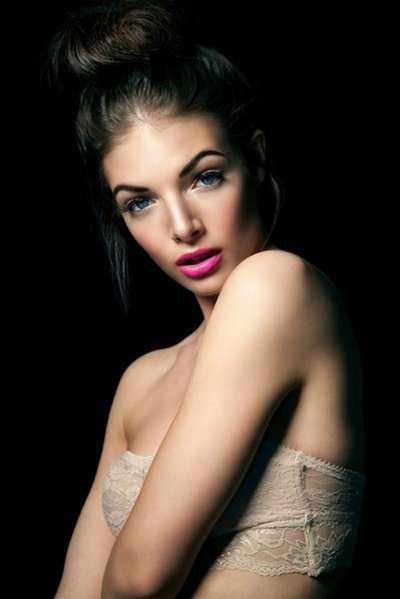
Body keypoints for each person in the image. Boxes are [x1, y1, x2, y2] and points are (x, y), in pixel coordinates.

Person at [52, 1, 365, 597]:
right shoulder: (141, 381)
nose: (181, 226)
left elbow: (139, 578)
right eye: (139, 202)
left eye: (204, 177)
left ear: (255, 158)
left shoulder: (279, 286)